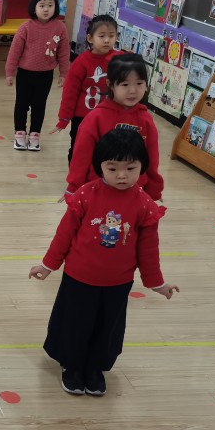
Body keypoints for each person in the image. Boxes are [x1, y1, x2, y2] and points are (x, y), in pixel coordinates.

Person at [29, 129, 178, 396]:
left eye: (130, 168)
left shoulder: (144, 204)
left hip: (118, 282)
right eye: (112, 168)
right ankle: (72, 366)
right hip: (79, 277)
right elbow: (64, 234)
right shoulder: (86, 195)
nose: (121, 175)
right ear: (100, 167)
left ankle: (94, 368)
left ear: (142, 166)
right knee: (75, 323)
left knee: (107, 327)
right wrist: (48, 265)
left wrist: (157, 283)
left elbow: (148, 248)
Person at [66, 54, 164, 201]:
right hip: (98, 191)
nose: (133, 90)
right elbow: (81, 156)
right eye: (125, 84)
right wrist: (74, 187)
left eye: (139, 83)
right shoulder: (96, 118)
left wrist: (153, 189)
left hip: (134, 193)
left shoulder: (146, 119)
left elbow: (152, 158)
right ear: (111, 84)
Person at [5, 0, 70, 151]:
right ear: (34, 7)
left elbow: (64, 53)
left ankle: (35, 135)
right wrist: (10, 72)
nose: (46, 9)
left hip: (46, 75)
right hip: (25, 74)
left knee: (39, 106)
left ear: (56, 7)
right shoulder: (25, 27)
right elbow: (14, 52)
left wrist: (64, 74)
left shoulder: (60, 28)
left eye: (50, 5)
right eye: (42, 5)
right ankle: (20, 133)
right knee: (22, 104)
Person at [52, 15, 120, 162]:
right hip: (83, 117)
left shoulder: (120, 60)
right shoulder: (81, 62)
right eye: (101, 36)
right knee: (79, 149)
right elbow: (70, 93)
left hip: (109, 116)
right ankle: (75, 176)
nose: (107, 40)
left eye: (111, 36)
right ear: (90, 38)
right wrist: (64, 119)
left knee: (105, 151)